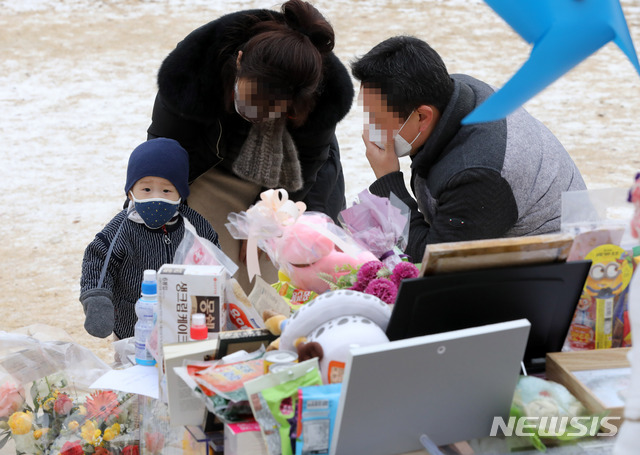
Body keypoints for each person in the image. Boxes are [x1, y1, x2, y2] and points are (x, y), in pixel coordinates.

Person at [147, 0, 354, 292]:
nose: (255, 116)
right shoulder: (190, 74)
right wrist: (142, 217)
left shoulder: (320, 95)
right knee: (208, 274)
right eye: (250, 103)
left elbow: (308, 163)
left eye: (271, 111)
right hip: (210, 167)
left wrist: (263, 220)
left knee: (284, 271)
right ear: (239, 61)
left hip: (288, 174)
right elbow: (160, 155)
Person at [351, 35, 586, 262]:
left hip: (554, 265)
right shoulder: (456, 91)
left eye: (378, 119)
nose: (370, 129)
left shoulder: (476, 173)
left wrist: (388, 180)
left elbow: (434, 261)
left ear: (422, 116)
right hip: (499, 232)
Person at [80, 138, 220, 339]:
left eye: (166, 190)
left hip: (184, 325)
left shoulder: (194, 225)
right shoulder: (122, 228)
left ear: (180, 193)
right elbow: (98, 261)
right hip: (133, 329)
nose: (156, 197)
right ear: (130, 192)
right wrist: (97, 299)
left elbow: (214, 259)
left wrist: (223, 291)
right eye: (146, 189)